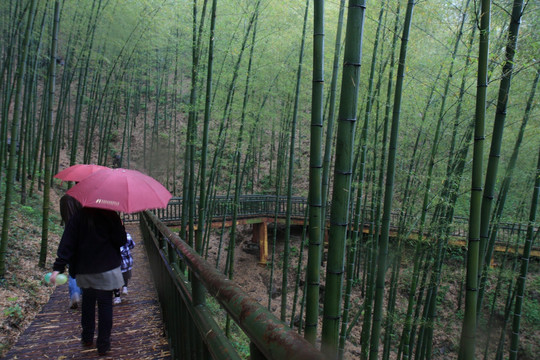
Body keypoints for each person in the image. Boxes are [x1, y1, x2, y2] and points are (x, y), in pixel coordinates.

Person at [50, 207, 127, 356]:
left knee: (88, 302)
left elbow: (68, 241)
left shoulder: (79, 215)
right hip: (107, 268)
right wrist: (120, 227)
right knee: (105, 305)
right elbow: (121, 241)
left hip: (85, 268)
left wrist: (58, 267)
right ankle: (103, 345)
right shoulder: (110, 214)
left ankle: (87, 337)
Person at [59, 194, 83, 309]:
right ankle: (84, 291)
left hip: (69, 234)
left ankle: (74, 293)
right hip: (82, 235)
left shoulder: (64, 199)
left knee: (72, 266)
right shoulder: (83, 199)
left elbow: (63, 217)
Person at [113, 232, 135, 305]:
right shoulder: (127, 235)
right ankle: (125, 286)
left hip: (115, 261)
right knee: (125, 273)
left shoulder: (109, 236)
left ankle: (117, 296)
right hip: (126, 260)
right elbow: (132, 245)